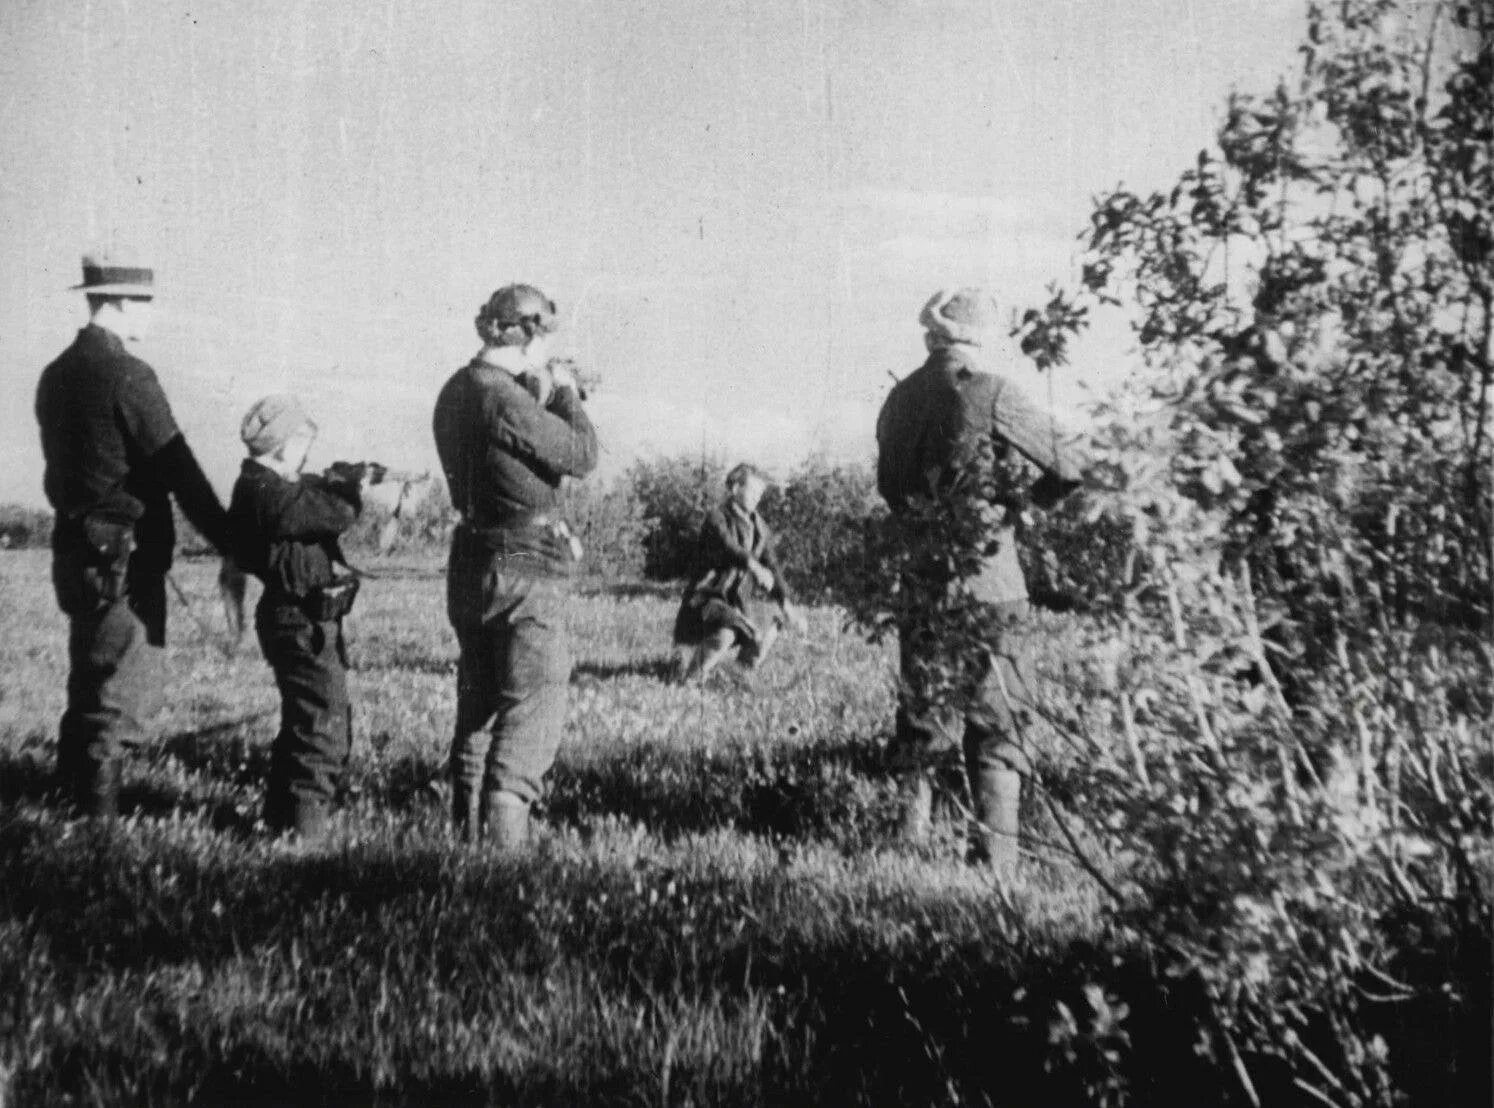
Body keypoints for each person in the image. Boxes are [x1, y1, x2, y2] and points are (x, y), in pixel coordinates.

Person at [875, 287, 1083, 871]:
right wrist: (1018, 506)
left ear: (930, 335)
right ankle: (997, 861)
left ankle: (905, 845)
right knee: (998, 722)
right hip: (991, 584)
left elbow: (890, 490)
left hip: (921, 583)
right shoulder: (992, 392)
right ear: (979, 339)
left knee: (922, 716)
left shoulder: (897, 401)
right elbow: (1071, 465)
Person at [35, 250, 244, 819]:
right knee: (122, 691)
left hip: (77, 549)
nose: (151, 317)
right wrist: (230, 537)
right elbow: (178, 466)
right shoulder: (128, 374)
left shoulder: (56, 374)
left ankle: (70, 805)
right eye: (146, 304)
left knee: (90, 678)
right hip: (125, 555)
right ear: (122, 303)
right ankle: (97, 834)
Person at [432, 283, 599, 847]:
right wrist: (567, 395)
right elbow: (580, 455)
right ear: (526, 334)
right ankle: (503, 871)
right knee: (532, 704)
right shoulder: (500, 397)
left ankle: (465, 848)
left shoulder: (458, 389)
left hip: (475, 554)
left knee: (478, 705)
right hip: (517, 558)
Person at [227, 395, 374, 840]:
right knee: (322, 731)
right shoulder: (267, 491)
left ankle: (280, 823)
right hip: (299, 621)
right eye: (301, 439)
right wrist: (350, 487)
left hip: (298, 619)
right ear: (283, 444)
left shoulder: (265, 485)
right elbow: (332, 514)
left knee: (303, 724)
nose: (306, 448)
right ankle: (305, 841)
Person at [671, 463, 805, 682]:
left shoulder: (760, 529)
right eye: (753, 491)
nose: (757, 498)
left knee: (758, 643)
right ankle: (690, 680)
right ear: (735, 488)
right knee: (728, 632)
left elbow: (773, 567)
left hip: (734, 605)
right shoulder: (716, 518)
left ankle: (732, 679)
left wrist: (787, 605)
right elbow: (728, 546)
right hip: (705, 601)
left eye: (760, 493)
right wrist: (753, 565)